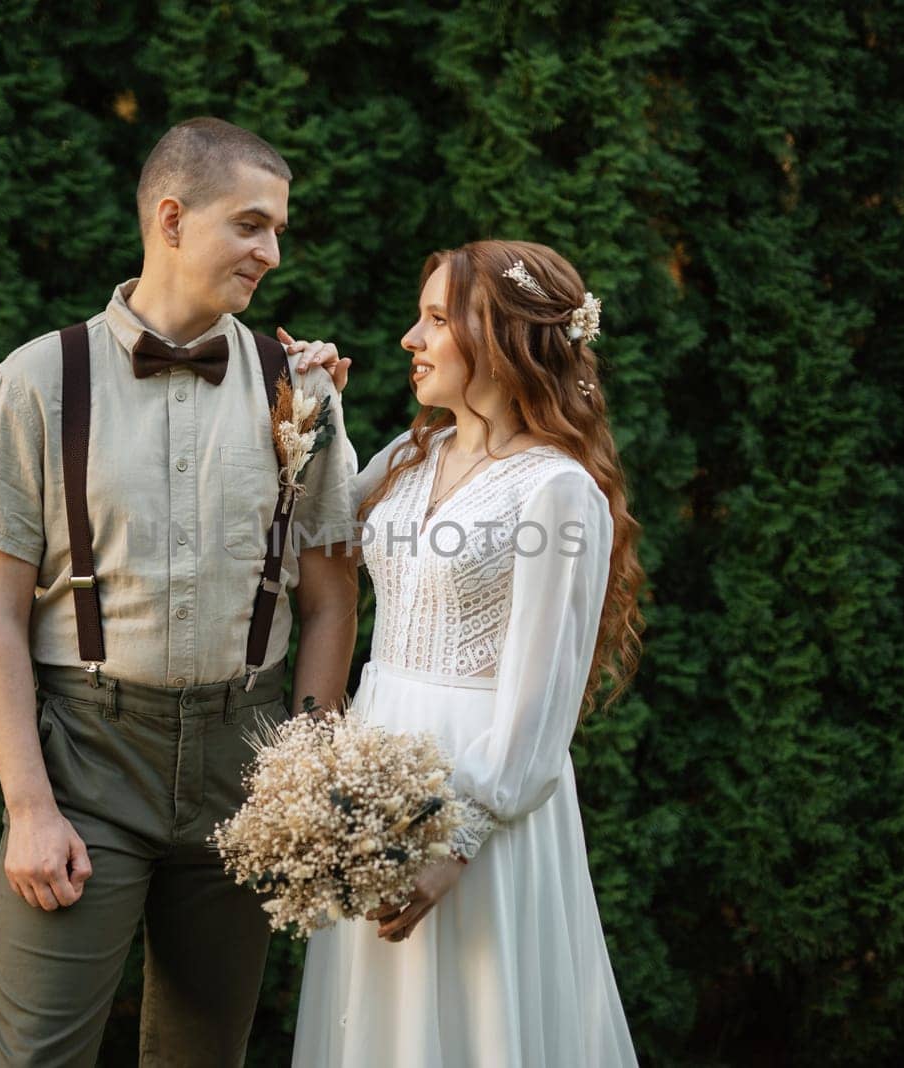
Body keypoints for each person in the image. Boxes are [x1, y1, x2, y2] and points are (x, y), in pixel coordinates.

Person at [0, 116, 359, 1067]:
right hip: (86, 761)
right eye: (251, 225)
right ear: (172, 217)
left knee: (205, 1057)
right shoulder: (36, 381)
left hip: (246, 762)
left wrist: (303, 772)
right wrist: (30, 808)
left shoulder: (303, 390)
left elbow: (332, 599)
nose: (272, 252)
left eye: (279, 229)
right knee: (38, 1055)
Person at [292, 240, 646, 1067]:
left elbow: (543, 695)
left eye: (437, 319)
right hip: (382, 765)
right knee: (379, 1021)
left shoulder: (555, 490)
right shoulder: (414, 457)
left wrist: (458, 841)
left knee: (475, 1021)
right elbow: (322, 534)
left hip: (477, 795)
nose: (410, 340)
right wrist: (318, 411)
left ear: (507, 337)